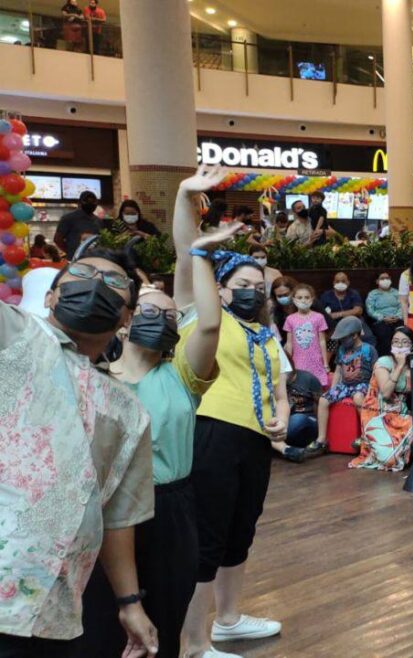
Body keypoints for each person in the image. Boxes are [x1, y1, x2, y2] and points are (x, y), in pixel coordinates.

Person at [80, 190, 238, 658]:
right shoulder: (92, 374)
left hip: (170, 507)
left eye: (168, 315)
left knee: (164, 617)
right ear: (126, 320)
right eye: (148, 309)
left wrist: (200, 252)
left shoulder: (184, 377)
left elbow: (208, 323)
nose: (158, 316)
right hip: (104, 509)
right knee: (102, 620)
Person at [0, 243, 157, 657]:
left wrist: (129, 602)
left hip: (56, 606)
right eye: (83, 274)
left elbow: (118, 514)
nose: (96, 286)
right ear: (51, 296)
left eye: (113, 283)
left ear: (126, 316)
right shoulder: (16, 337)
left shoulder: (128, 410)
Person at [178, 212, 291, 656]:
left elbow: (280, 388)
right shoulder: (203, 318)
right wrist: (205, 243)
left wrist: (280, 416)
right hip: (213, 433)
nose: (253, 292)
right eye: (242, 285)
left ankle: (227, 620)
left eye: (258, 287)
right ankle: (193, 643)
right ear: (220, 290)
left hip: (255, 440)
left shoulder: (264, 332)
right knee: (208, 535)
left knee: (240, 531)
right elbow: (186, 259)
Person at [350, 327, 413, 471]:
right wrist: (399, 366)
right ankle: (370, 444)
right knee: (390, 460)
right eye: (396, 342)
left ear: (412, 346)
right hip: (377, 415)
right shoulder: (383, 362)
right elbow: (386, 393)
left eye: (405, 342)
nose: (400, 346)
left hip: (401, 414)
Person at [311, 316, 376, 454]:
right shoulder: (341, 349)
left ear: (355, 335)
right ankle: (321, 439)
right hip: (345, 386)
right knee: (323, 400)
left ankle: (366, 436)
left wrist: (373, 390)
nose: (341, 341)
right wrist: (333, 389)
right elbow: (339, 370)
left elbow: (376, 370)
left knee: (358, 397)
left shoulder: (368, 349)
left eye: (344, 337)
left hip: (363, 384)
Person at [282, 283, 330, 388]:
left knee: (318, 387)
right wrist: (288, 364)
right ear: (294, 299)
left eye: (307, 297)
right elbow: (289, 343)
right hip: (298, 360)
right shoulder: (290, 319)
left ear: (312, 299)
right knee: (300, 386)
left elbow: (322, 341)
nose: (303, 300)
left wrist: (325, 363)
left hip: (315, 359)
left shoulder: (319, 317)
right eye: (299, 297)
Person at [53, 190, 102, 258]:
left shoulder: (98, 221)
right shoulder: (68, 218)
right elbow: (57, 239)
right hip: (75, 260)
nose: (90, 203)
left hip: (93, 259)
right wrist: (71, 251)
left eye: (93, 201)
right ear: (79, 203)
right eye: (87, 201)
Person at [366, 271, 404, 356]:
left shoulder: (396, 292)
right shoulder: (373, 294)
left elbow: (401, 306)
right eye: (382, 278)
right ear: (377, 281)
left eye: (387, 278)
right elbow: (370, 310)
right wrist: (382, 318)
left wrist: (398, 316)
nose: (385, 280)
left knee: (401, 334)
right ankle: (386, 358)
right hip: (381, 321)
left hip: (397, 320)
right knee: (384, 336)